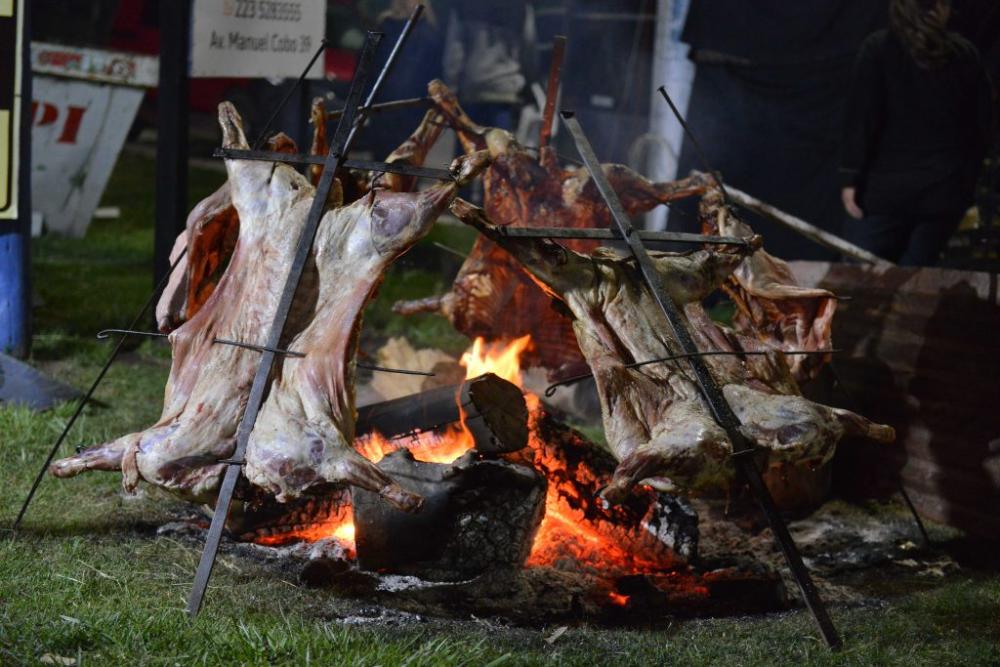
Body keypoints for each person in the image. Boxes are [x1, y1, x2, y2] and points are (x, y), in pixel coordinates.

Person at [839, 0, 994, 266]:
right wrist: (965, 183)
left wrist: (850, 178)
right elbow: (982, 128)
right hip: (943, 191)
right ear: (941, 9)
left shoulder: (878, 49)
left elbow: (860, 121)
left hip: (885, 193)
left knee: (860, 282)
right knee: (917, 285)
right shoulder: (964, 55)